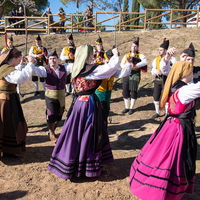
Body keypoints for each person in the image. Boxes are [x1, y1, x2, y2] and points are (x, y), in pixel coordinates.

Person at [48, 44, 130, 180]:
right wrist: (115, 55)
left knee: (77, 134)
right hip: (88, 105)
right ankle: (85, 166)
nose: (92, 57)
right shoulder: (90, 70)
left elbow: (113, 71)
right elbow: (110, 69)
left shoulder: (76, 67)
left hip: (79, 104)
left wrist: (123, 65)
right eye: (91, 55)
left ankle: (75, 163)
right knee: (89, 133)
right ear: (86, 56)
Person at [129, 61, 199, 200]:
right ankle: (163, 189)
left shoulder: (178, 86)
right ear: (185, 74)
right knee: (173, 159)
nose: (194, 74)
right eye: (191, 71)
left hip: (170, 125)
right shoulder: (185, 91)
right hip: (178, 129)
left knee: (162, 156)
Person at [27, 50, 73, 141]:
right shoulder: (45, 70)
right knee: (51, 114)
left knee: (59, 115)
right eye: (51, 59)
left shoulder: (65, 68)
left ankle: (52, 129)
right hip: (50, 96)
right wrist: (30, 62)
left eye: (54, 59)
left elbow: (76, 65)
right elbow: (35, 71)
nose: (53, 61)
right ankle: (52, 133)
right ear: (48, 60)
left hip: (61, 96)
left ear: (58, 60)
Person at [0, 48, 35, 158]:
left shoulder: (7, 68)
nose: (20, 60)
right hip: (5, 102)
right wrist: (29, 64)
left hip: (10, 100)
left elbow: (16, 73)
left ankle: (9, 150)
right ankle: (7, 150)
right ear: (14, 58)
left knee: (10, 126)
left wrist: (21, 64)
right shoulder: (6, 69)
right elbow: (20, 78)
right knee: (9, 126)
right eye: (19, 58)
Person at [95, 47, 133, 128]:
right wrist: (115, 55)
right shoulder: (100, 67)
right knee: (98, 114)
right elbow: (110, 68)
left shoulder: (111, 69)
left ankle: (103, 129)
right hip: (99, 94)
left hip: (108, 94)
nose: (109, 61)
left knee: (105, 112)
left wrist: (129, 63)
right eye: (108, 59)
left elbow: (122, 73)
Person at [121, 37, 148, 115]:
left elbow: (145, 62)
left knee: (133, 91)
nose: (133, 47)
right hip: (126, 74)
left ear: (137, 47)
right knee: (125, 91)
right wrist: (126, 67)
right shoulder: (127, 55)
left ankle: (131, 108)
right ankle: (127, 107)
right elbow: (122, 64)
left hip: (135, 74)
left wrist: (136, 64)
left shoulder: (140, 55)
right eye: (132, 46)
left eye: (135, 46)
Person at [151, 38, 176, 118]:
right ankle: (157, 112)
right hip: (158, 80)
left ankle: (167, 113)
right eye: (159, 50)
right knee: (156, 96)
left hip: (167, 80)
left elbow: (174, 69)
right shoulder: (156, 59)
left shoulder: (172, 59)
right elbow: (152, 69)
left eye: (161, 50)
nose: (159, 51)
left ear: (165, 50)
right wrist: (156, 71)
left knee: (167, 96)